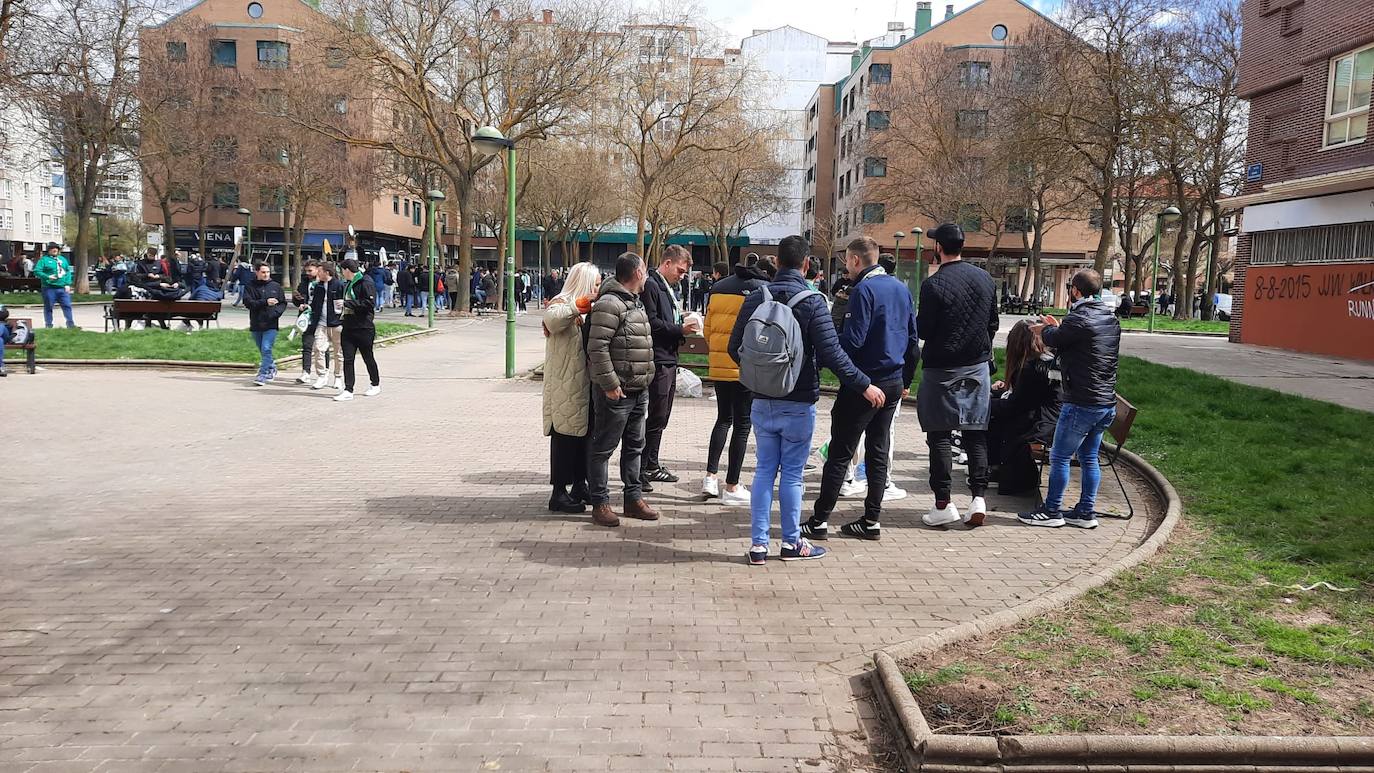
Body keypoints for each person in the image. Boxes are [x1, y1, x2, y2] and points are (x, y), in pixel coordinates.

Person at [728, 235, 883, 565]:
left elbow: (733, 348)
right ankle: (791, 543)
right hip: (798, 403)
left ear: (777, 261)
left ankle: (757, 547)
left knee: (764, 472)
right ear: (807, 264)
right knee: (793, 476)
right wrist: (864, 385)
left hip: (760, 401)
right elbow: (834, 355)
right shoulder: (813, 302)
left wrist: (761, 373)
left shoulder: (757, 297)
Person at [802, 237, 918, 542]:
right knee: (878, 451)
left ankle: (819, 519)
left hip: (864, 381)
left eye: (847, 263)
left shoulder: (863, 290)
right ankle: (871, 519)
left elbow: (852, 341)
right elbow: (912, 340)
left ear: (855, 260)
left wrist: (831, 351)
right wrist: (906, 380)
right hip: (893, 379)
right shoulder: (901, 288)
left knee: (841, 451)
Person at [1019, 269, 1121, 529]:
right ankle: (1086, 512)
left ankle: (1052, 510)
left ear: (1075, 291)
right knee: (1088, 458)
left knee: (1060, 457)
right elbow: (1075, 341)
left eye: (1069, 288)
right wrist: (1055, 328)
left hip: (1081, 402)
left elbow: (1055, 339)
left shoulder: (1079, 317)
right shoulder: (1109, 318)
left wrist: (1046, 329)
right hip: (1105, 402)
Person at [915, 223, 999, 529]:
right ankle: (978, 498)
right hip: (977, 367)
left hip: (941, 369)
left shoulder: (933, 285)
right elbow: (993, 323)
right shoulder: (985, 279)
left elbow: (923, 330)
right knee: (976, 433)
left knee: (939, 436)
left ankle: (943, 504)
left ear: (939, 247)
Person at [584, 252, 658, 528]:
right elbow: (597, 347)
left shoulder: (633, 302)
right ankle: (600, 502)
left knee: (635, 446)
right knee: (604, 447)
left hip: (639, 389)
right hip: (618, 392)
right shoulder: (609, 304)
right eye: (645, 270)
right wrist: (611, 384)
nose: (647, 275)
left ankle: (633, 498)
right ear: (637, 273)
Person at [701, 255, 769, 506]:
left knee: (723, 420)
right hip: (743, 367)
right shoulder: (759, 291)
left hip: (719, 365)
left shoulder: (717, 288)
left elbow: (707, 329)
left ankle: (710, 477)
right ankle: (732, 485)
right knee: (742, 424)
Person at [639, 245, 701, 490]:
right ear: (666, 263)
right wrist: (680, 329)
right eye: (680, 270)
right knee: (655, 415)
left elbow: (663, 318)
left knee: (662, 415)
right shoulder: (652, 285)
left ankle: (651, 464)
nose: (682, 276)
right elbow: (652, 323)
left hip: (668, 358)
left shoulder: (665, 287)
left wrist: (681, 318)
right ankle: (644, 467)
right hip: (658, 358)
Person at [542, 262, 601, 514]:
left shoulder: (588, 309)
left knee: (584, 437)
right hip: (566, 384)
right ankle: (558, 494)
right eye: (596, 284)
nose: (598, 288)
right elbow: (553, 320)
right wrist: (576, 306)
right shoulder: (561, 302)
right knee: (565, 438)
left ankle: (580, 484)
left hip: (584, 383)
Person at [988, 320, 1062, 495]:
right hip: (1048, 418)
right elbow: (1022, 400)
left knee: (992, 415)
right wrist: (1005, 390)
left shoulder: (1031, 368)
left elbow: (1016, 406)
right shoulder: (1040, 361)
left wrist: (985, 404)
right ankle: (997, 467)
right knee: (995, 412)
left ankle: (998, 469)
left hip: (1044, 425)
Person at [334, 259, 381, 401]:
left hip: (363, 326)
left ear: (347, 270)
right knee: (348, 358)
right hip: (348, 325)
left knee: (368, 356)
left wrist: (347, 303)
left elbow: (369, 303)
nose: (341, 273)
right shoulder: (346, 284)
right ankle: (348, 389)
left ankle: (375, 384)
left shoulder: (365, 282)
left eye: (342, 270)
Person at [241, 262, 286, 386]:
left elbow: (283, 303)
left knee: (266, 348)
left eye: (268, 272)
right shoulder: (250, 286)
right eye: (263, 272)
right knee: (262, 349)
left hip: (271, 324)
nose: (266, 274)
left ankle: (263, 374)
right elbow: (248, 303)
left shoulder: (275, 286)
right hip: (256, 323)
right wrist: (265, 302)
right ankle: (272, 367)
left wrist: (276, 313)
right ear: (257, 272)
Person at [312, 262, 345, 390]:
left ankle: (338, 377)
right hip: (321, 323)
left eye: (319, 271)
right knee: (318, 349)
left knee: (338, 352)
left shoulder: (339, 285)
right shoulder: (318, 287)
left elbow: (343, 304)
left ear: (327, 272)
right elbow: (315, 303)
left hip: (336, 324)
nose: (317, 273)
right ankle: (321, 375)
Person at [292, 260, 323, 383]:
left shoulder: (323, 282)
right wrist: (297, 300)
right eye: (306, 271)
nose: (308, 273)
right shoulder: (304, 282)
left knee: (321, 347)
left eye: (310, 270)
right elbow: (298, 300)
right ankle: (306, 372)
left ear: (317, 270)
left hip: (320, 317)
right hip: (306, 317)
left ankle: (323, 372)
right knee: (307, 345)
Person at [34, 243, 76, 329]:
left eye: (56, 248)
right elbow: (37, 271)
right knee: (48, 307)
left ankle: (70, 324)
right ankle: (49, 325)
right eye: (53, 248)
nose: (55, 250)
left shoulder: (62, 259)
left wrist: (68, 284)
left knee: (67, 305)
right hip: (49, 288)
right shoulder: (44, 260)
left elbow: (67, 272)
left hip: (62, 288)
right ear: (49, 250)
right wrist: (47, 276)